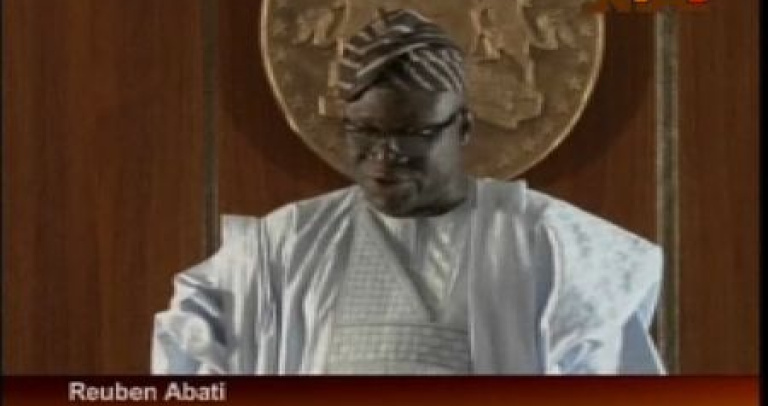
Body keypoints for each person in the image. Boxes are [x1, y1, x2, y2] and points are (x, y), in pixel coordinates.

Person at [152, 9, 664, 375]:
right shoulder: (286, 246)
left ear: (462, 127)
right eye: (365, 132)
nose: (385, 154)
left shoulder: (547, 245)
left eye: (411, 133)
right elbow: (192, 349)